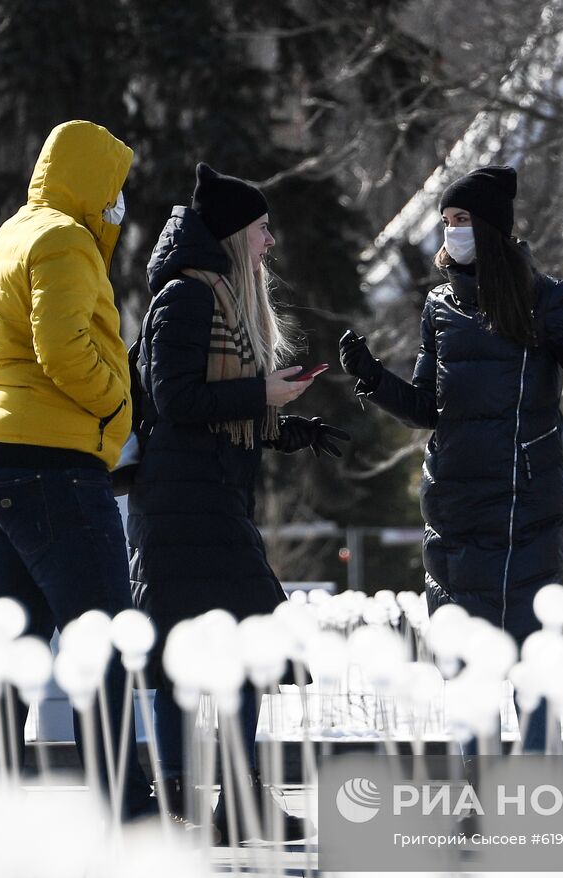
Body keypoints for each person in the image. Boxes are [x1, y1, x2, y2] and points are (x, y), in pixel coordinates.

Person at [338, 165, 563, 752]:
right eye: (445, 223)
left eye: (461, 221)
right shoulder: (439, 305)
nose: (450, 233)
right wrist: (372, 379)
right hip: (455, 505)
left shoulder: (545, 300)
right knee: (467, 660)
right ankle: (477, 799)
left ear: (491, 228)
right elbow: (425, 407)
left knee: (527, 650)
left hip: (525, 505)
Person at [130, 163, 347, 842]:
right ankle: (195, 799)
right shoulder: (185, 299)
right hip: (183, 502)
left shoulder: (214, 294)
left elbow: (212, 408)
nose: (270, 243)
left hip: (207, 496)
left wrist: (290, 426)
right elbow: (175, 400)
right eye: (260, 229)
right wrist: (262, 397)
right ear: (232, 234)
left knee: (225, 647)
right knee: (202, 650)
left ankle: (222, 799)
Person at [0, 120, 152, 815]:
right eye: (116, 188)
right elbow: (63, 346)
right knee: (102, 641)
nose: (119, 204)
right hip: (53, 467)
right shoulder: (66, 239)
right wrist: (116, 399)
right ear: (91, 182)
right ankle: (127, 807)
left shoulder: (10, 236)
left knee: (14, 648)